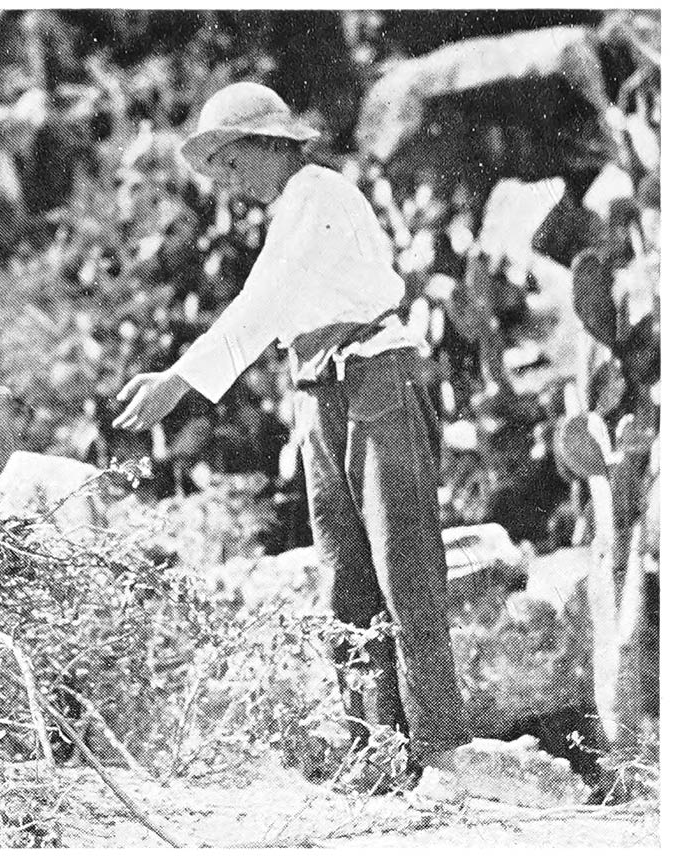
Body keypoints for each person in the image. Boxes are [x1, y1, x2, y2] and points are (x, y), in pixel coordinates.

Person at [112, 81, 489, 799]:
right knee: (343, 580)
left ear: (268, 145)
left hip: (374, 378)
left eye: (230, 161)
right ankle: (377, 758)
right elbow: (275, 310)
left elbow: (266, 300)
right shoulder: (291, 210)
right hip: (318, 386)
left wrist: (179, 381)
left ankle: (443, 756)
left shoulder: (317, 194)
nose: (227, 181)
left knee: (403, 570)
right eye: (216, 169)